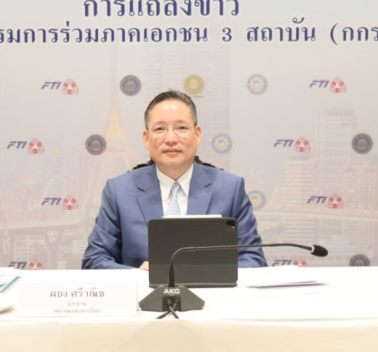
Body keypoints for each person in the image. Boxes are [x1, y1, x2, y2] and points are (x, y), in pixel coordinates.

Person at [82, 90, 266, 270]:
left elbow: (254, 261)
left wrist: (205, 274)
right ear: (146, 138)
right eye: (160, 129)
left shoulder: (230, 189)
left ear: (197, 134)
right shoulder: (119, 191)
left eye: (181, 128)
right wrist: (139, 276)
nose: (170, 139)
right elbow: (95, 260)